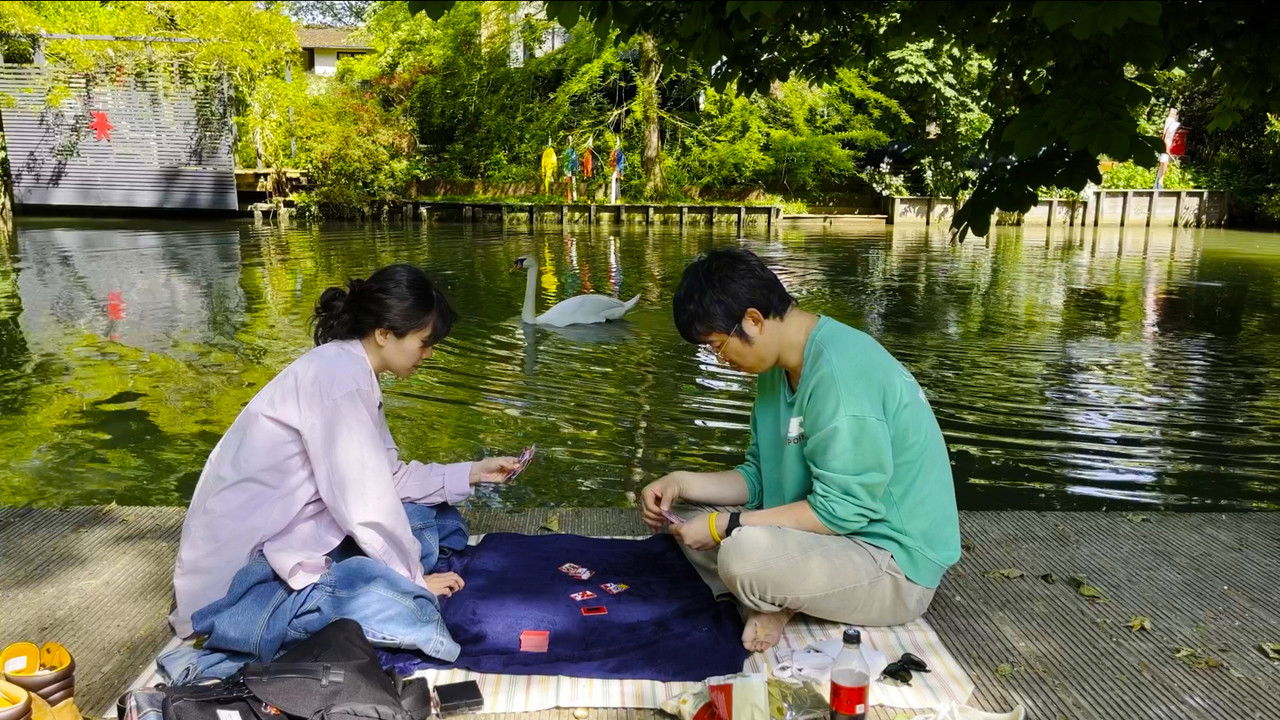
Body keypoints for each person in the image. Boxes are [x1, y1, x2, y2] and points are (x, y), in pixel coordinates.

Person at [161, 264, 520, 682]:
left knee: (429, 518)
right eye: (424, 343)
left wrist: (474, 472)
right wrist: (415, 582)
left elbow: (390, 479)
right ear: (385, 333)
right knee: (399, 596)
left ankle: (392, 579)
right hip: (241, 585)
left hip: (289, 535)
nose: (429, 354)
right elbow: (366, 505)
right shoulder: (341, 380)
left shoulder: (349, 370)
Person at [642, 248, 960, 653]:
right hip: (826, 542)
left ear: (753, 321)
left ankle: (773, 599)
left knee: (740, 555)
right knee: (684, 522)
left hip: (889, 565)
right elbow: (760, 477)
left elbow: (843, 510)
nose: (720, 361)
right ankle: (777, 597)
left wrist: (728, 527)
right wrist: (681, 482)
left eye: (718, 347)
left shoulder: (842, 375)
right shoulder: (777, 370)